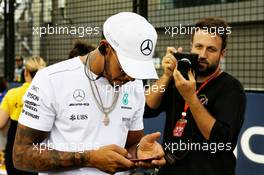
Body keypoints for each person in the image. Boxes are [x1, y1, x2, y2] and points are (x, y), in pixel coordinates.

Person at [13, 12, 166, 175]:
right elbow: (22, 156)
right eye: (125, 68)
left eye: (137, 70)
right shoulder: (51, 79)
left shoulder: (134, 85)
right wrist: (89, 158)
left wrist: (140, 152)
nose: (130, 76)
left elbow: (131, 145)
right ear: (105, 47)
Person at [144, 17, 246, 175]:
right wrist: (166, 76)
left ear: (222, 53)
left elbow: (221, 140)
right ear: (191, 46)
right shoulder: (179, 78)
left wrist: (190, 97)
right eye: (198, 46)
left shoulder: (231, 88)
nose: (203, 54)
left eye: (211, 49)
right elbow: (147, 109)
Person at [0, 56, 46, 175]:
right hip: (39, 151)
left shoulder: (12, 94)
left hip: (14, 152)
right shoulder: (49, 96)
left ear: (25, 73)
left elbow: (0, 123)